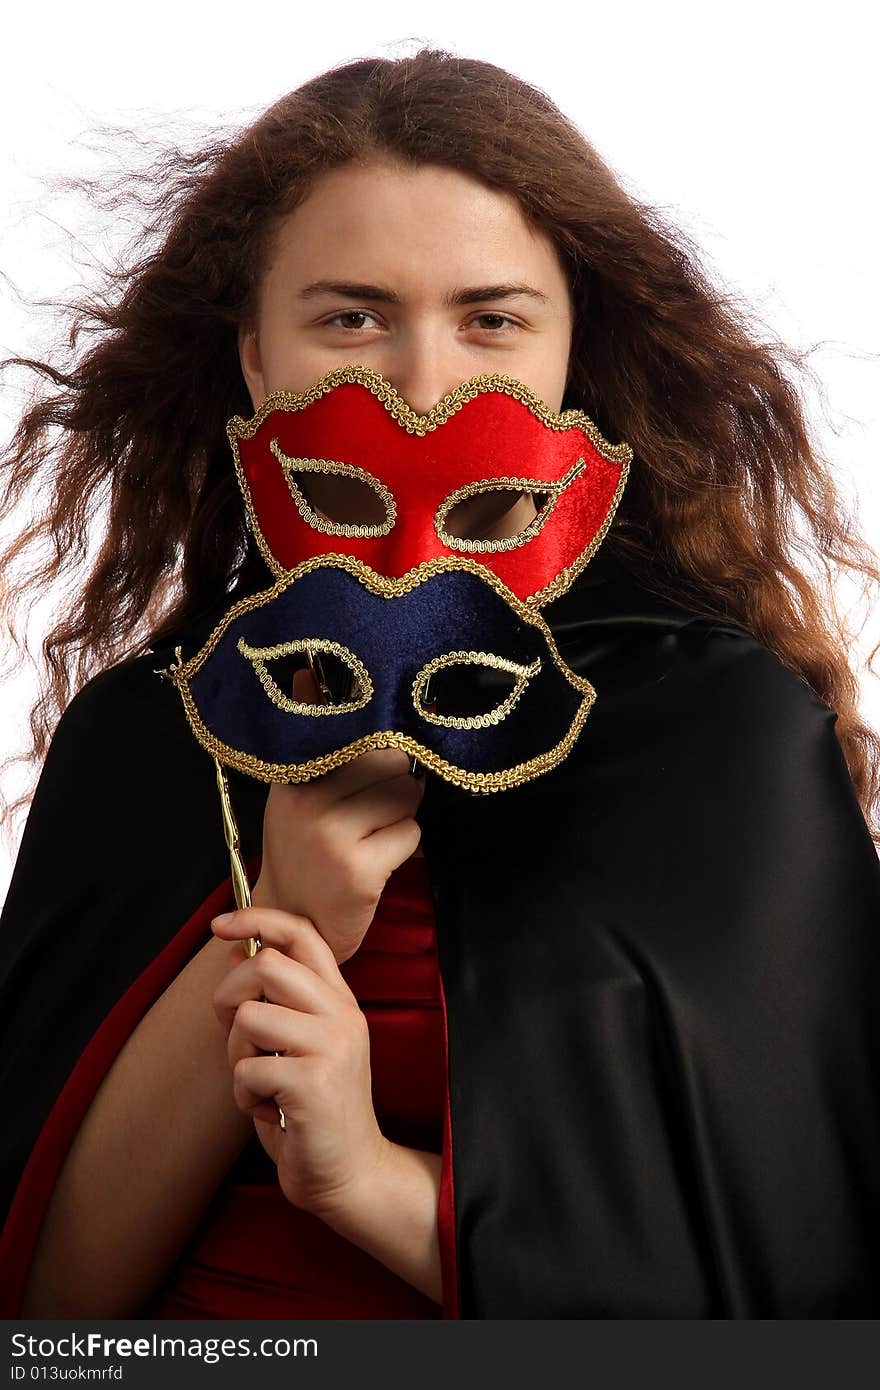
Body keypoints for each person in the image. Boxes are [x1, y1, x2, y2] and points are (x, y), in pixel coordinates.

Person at [1, 48, 879, 1320]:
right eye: (350, 316)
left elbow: (789, 1289)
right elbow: (46, 1309)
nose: (421, 389)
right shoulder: (149, 733)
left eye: (493, 318)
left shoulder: (714, 733)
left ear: (573, 354)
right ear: (255, 358)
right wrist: (285, 910)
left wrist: (365, 1178)